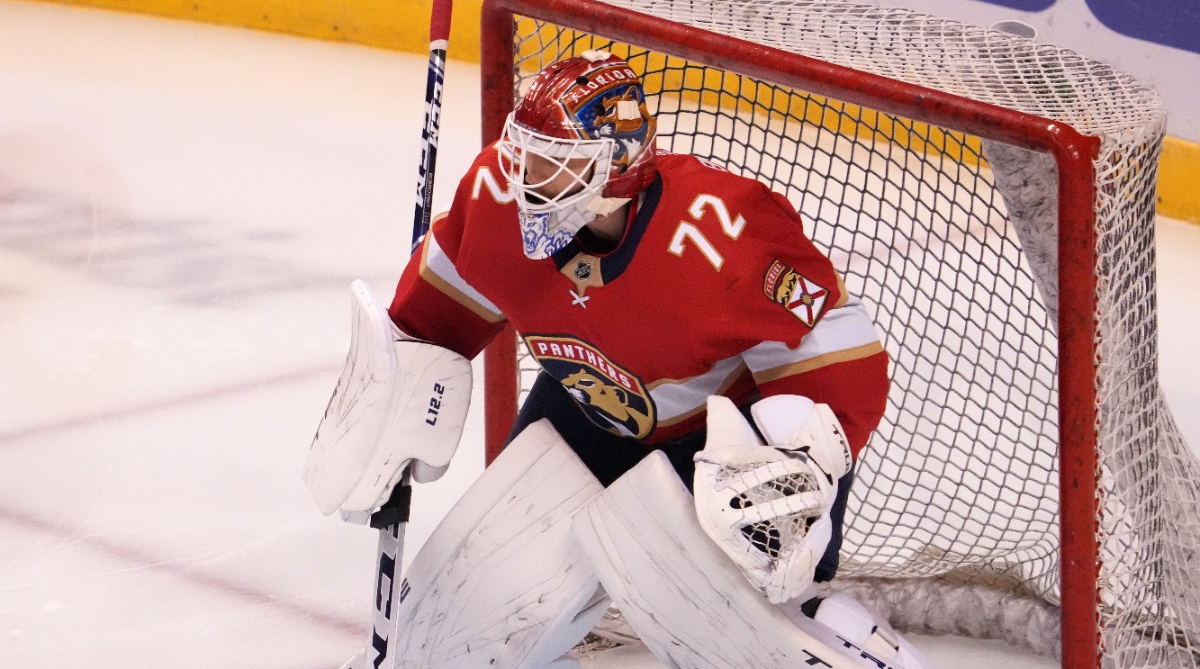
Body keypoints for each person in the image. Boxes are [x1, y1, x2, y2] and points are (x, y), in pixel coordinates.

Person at [309, 50, 927, 669]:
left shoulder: (718, 233)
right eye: (526, 157)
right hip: (583, 424)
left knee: (738, 634)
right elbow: (430, 327)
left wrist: (794, 463)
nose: (527, 183)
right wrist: (393, 400)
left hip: (716, 457)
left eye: (556, 167)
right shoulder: (497, 200)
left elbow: (837, 347)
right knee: (454, 624)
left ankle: (842, 638)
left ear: (619, 167)